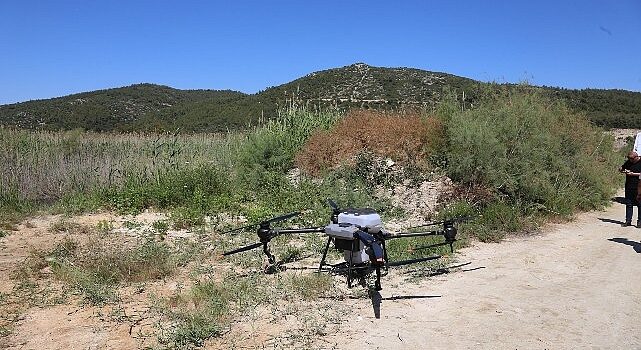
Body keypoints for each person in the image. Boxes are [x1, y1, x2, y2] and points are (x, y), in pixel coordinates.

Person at [620, 151, 641, 226]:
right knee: (629, 204)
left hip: (639, 186)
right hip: (629, 186)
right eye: (629, 158)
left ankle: (639, 222)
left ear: (636, 157)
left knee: (639, 204)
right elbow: (621, 168)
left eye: (631, 158)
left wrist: (633, 174)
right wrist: (623, 170)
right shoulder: (628, 162)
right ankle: (628, 221)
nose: (630, 160)